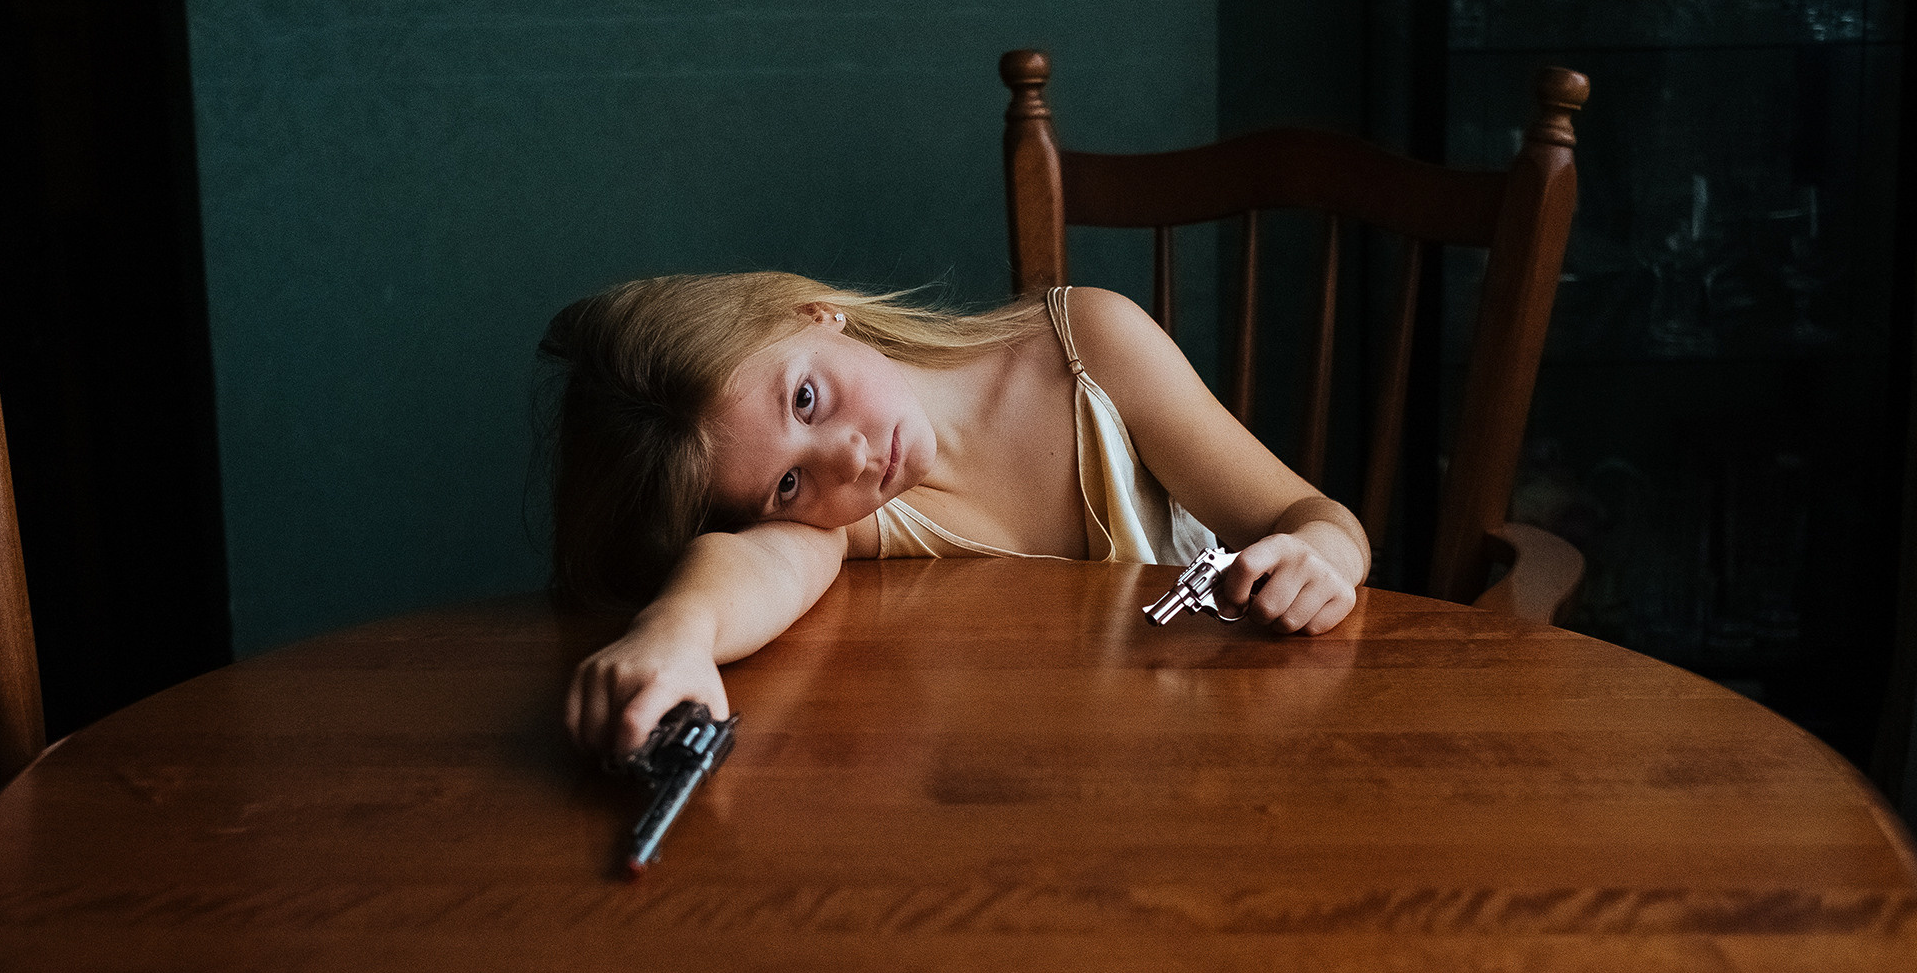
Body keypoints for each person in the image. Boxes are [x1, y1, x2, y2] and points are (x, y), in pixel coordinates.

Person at [542, 271, 1369, 760]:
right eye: (787, 485)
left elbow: (1309, 511)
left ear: (813, 311)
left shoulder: (1092, 347)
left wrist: (1321, 552)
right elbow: (755, 563)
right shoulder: (852, 518)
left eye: (806, 398)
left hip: (1231, 744)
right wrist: (675, 634)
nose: (847, 458)